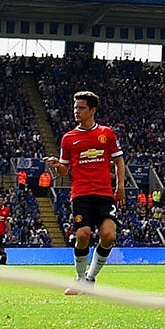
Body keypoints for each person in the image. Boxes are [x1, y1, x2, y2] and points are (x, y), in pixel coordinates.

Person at [47, 91, 123, 285]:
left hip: (104, 193)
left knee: (108, 235)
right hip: (81, 194)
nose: (76, 111)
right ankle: (79, 278)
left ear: (92, 110)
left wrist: (120, 187)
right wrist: (58, 165)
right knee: (83, 235)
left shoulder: (106, 134)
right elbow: (65, 171)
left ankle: (90, 277)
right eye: (75, 108)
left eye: (81, 108)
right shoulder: (69, 138)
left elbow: (119, 161)